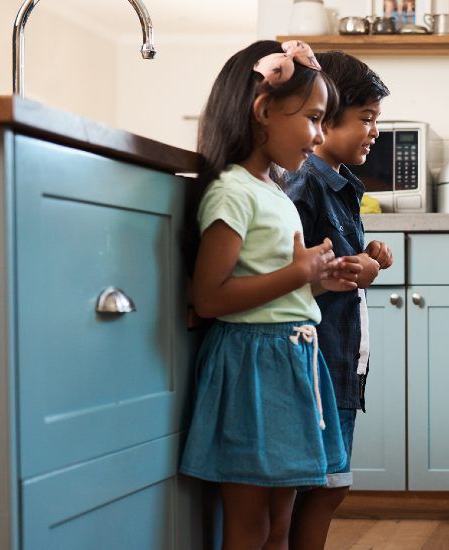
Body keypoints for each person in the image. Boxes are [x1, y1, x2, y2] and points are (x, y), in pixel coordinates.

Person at [178, 40, 358, 550]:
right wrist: (297, 273)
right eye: (314, 118)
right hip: (254, 365)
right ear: (263, 111)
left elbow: (276, 281)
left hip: (291, 358)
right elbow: (209, 295)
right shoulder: (232, 191)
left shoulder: (273, 190)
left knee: (280, 519)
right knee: (250, 521)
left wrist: (319, 277)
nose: (320, 134)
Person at [285, 51, 395, 550]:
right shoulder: (307, 185)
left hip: (338, 357)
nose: (374, 131)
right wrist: (361, 270)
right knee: (324, 486)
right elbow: (297, 271)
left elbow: (336, 263)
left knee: (328, 485)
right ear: (323, 121)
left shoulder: (340, 187)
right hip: (320, 359)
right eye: (366, 119)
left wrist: (368, 257)